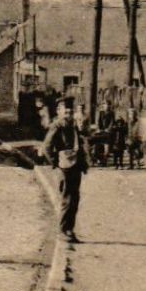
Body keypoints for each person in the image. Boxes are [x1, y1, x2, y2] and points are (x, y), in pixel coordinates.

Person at [42, 97, 89, 242]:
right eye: (65, 112)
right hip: (64, 167)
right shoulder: (57, 126)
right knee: (66, 199)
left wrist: (83, 164)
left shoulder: (73, 125)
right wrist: (55, 163)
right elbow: (46, 147)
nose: (68, 115)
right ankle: (62, 231)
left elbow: (79, 145)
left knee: (74, 199)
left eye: (70, 112)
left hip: (75, 166)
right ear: (58, 111)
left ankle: (70, 230)